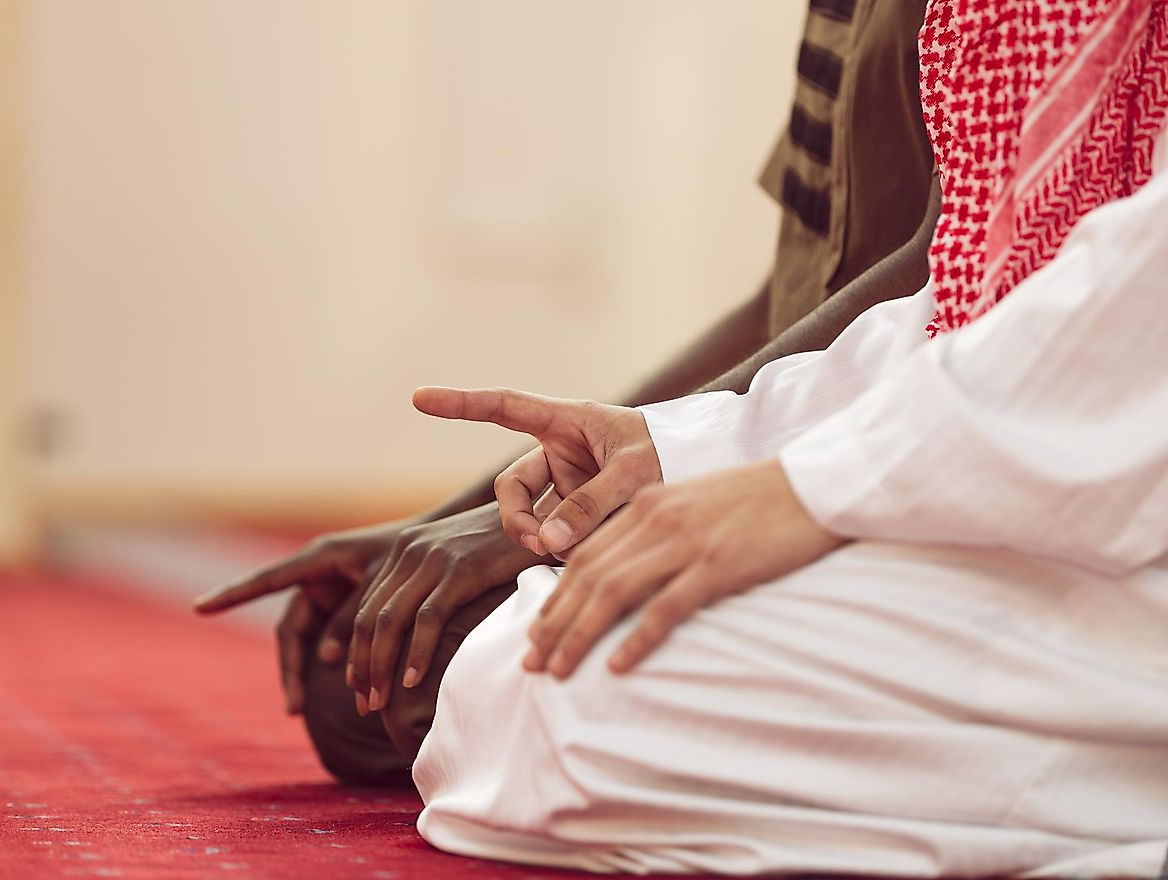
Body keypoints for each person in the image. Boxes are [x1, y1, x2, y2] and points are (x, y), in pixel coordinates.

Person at [408, 0, 1168, 875]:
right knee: (510, 658)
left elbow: (1106, 306)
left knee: (571, 682)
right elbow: (992, 289)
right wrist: (678, 446)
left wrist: (811, 486)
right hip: (1022, 456)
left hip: (1092, 502)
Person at [194, 0, 937, 785]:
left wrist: (582, 504)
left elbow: (938, 271)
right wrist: (437, 524)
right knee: (347, 668)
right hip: (739, 434)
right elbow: (778, 302)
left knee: (436, 666)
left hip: (859, 460)